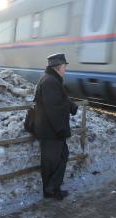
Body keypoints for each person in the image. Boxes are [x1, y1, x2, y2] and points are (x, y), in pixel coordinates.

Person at [33, 53, 78, 201]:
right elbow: (53, 108)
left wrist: (72, 106)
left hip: (50, 129)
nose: (65, 69)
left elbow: (61, 99)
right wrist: (61, 130)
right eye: (65, 66)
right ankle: (51, 189)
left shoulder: (51, 79)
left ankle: (52, 188)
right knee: (53, 161)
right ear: (59, 67)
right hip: (51, 131)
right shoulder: (50, 82)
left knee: (58, 158)